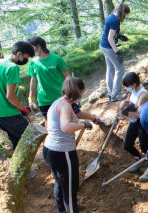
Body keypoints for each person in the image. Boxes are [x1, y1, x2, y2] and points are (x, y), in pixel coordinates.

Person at [43, 76, 104, 213]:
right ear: (81, 91)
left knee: (60, 183)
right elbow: (65, 127)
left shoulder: (60, 102)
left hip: (50, 149)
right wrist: (82, 124)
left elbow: (78, 113)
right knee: (70, 188)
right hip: (61, 153)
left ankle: (63, 210)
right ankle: (71, 209)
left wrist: (94, 119)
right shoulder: (65, 106)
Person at [0, 41, 34, 149]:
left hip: (1, 113)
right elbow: (10, 96)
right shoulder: (12, 67)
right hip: (7, 112)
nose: (26, 61)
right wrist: (22, 108)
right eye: (26, 57)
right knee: (28, 136)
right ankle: (26, 164)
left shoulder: (0, 63)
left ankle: (17, 161)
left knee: (15, 138)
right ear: (19, 53)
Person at [121, 72, 148, 181]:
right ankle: (139, 159)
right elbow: (130, 106)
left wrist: (129, 116)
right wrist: (122, 113)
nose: (126, 88)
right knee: (127, 145)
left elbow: (140, 113)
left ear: (134, 84)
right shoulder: (133, 92)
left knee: (145, 146)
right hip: (134, 121)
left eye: (127, 86)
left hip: (142, 121)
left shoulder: (143, 94)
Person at [27, 36, 69, 121]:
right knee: (49, 123)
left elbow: (67, 77)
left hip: (60, 96)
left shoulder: (56, 59)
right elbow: (33, 81)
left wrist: (73, 92)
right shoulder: (33, 63)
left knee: (65, 120)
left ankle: (93, 120)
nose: (29, 51)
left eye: (31, 48)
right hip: (43, 99)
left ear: (38, 47)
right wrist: (31, 98)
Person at [100, 3, 130, 102]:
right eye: (125, 15)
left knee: (111, 68)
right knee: (120, 69)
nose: (125, 17)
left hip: (103, 45)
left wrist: (119, 35)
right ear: (122, 13)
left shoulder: (111, 17)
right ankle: (116, 95)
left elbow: (109, 33)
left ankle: (110, 93)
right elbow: (110, 38)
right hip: (108, 47)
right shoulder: (115, 21)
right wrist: (117, 52)